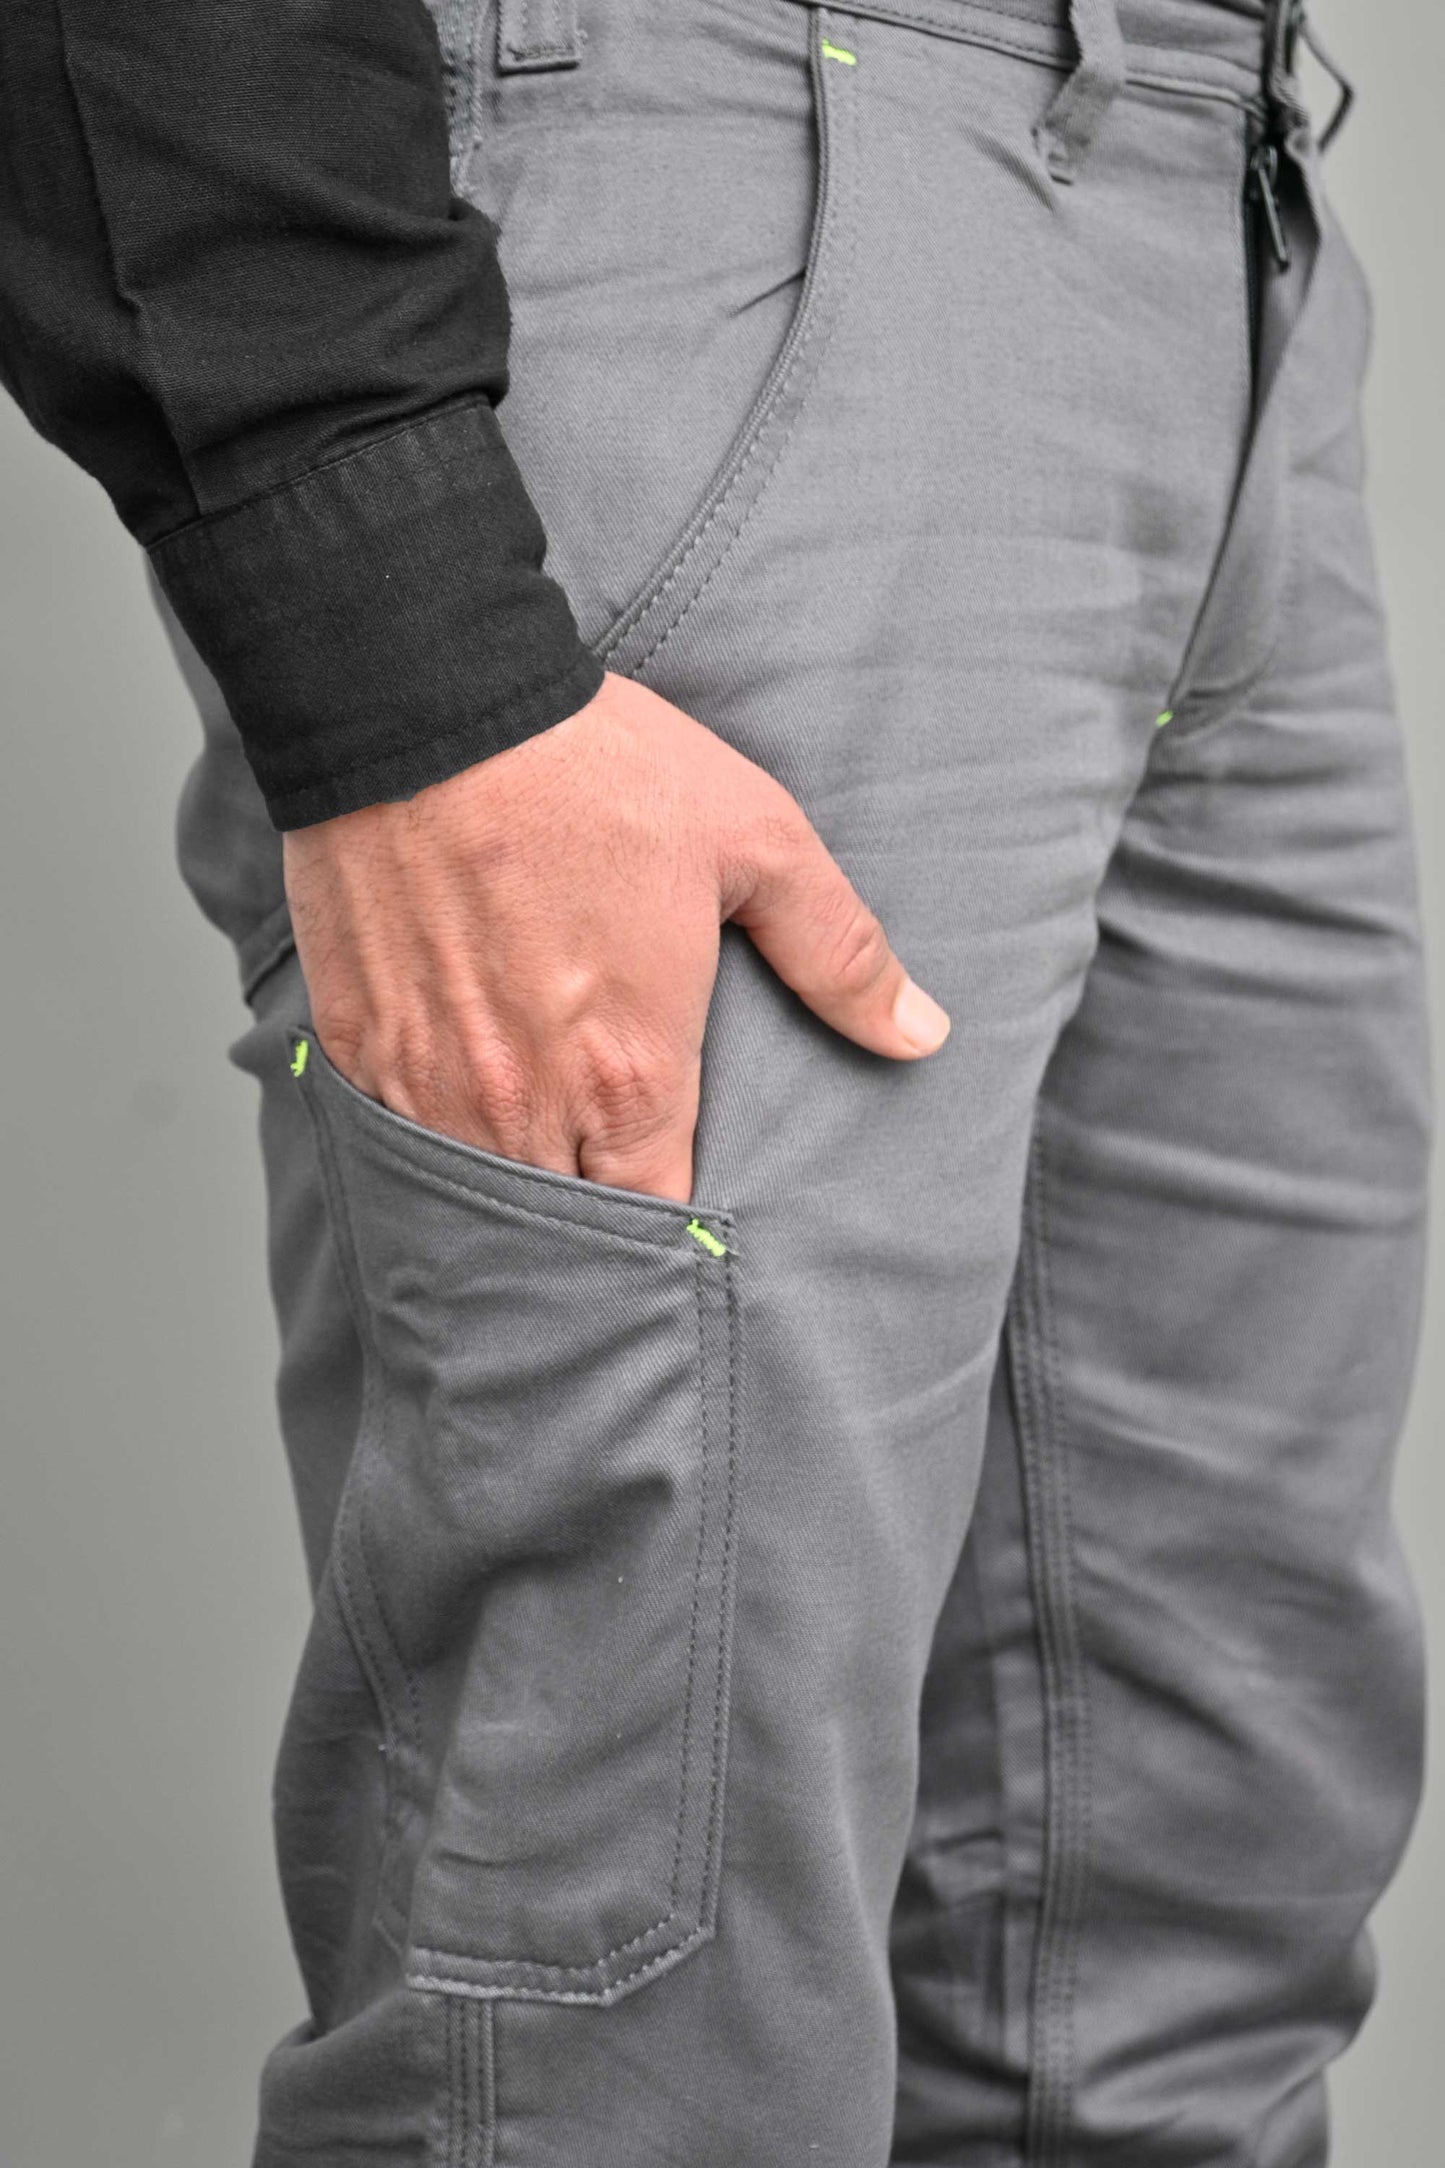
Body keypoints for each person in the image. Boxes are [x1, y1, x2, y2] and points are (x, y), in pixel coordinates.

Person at [0, 0, 1431, 2160]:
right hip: (731, 173)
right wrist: (375, 584)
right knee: (635, 2055)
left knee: (1166, 1971)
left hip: (1216, 208)